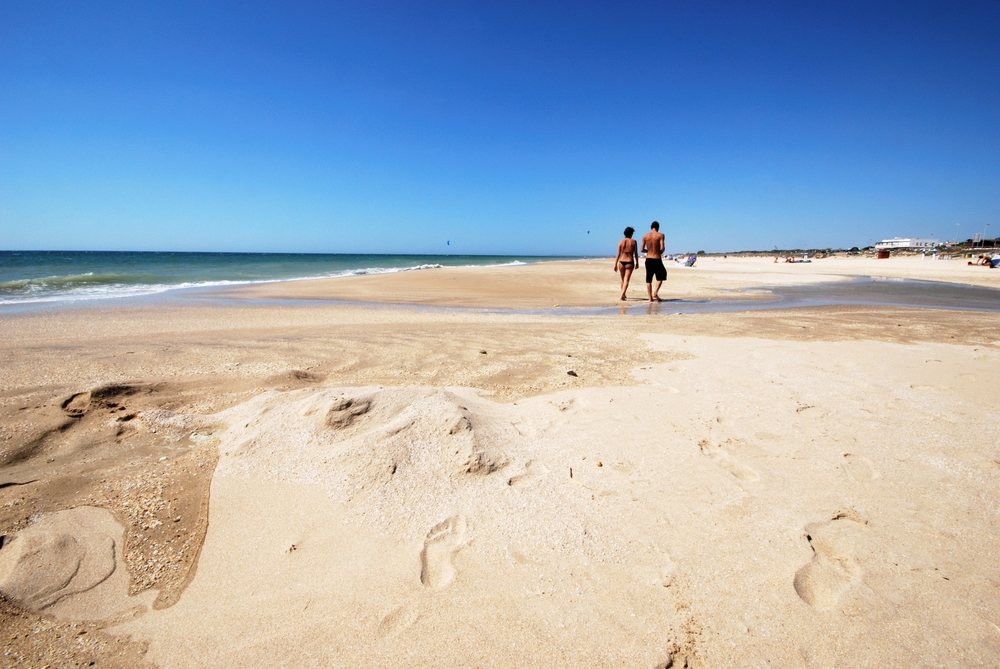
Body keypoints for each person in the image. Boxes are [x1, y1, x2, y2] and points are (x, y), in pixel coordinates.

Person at [641, 221, 666, 302]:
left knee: (648, 279)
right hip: (657, 258)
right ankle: (655, 293)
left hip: (648, 259)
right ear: (658, 227)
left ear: (651, 227)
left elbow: (641, 249)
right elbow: (662, 248)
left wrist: (648, 251)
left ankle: (650, 298)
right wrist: (659, 252)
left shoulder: (645, 236)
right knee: (660, 277)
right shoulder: (660, 235)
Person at [614, 227, 638, 300]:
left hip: (621, 261)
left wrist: (615, 264)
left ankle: (623, 294)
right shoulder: (634, 241)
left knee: (622, 279)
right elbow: (636, 253)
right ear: (630, 233)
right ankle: (622, 294)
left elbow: (618, 254)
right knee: (626, 279)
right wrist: (637, 262)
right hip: (629, 261)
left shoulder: (620, 242)